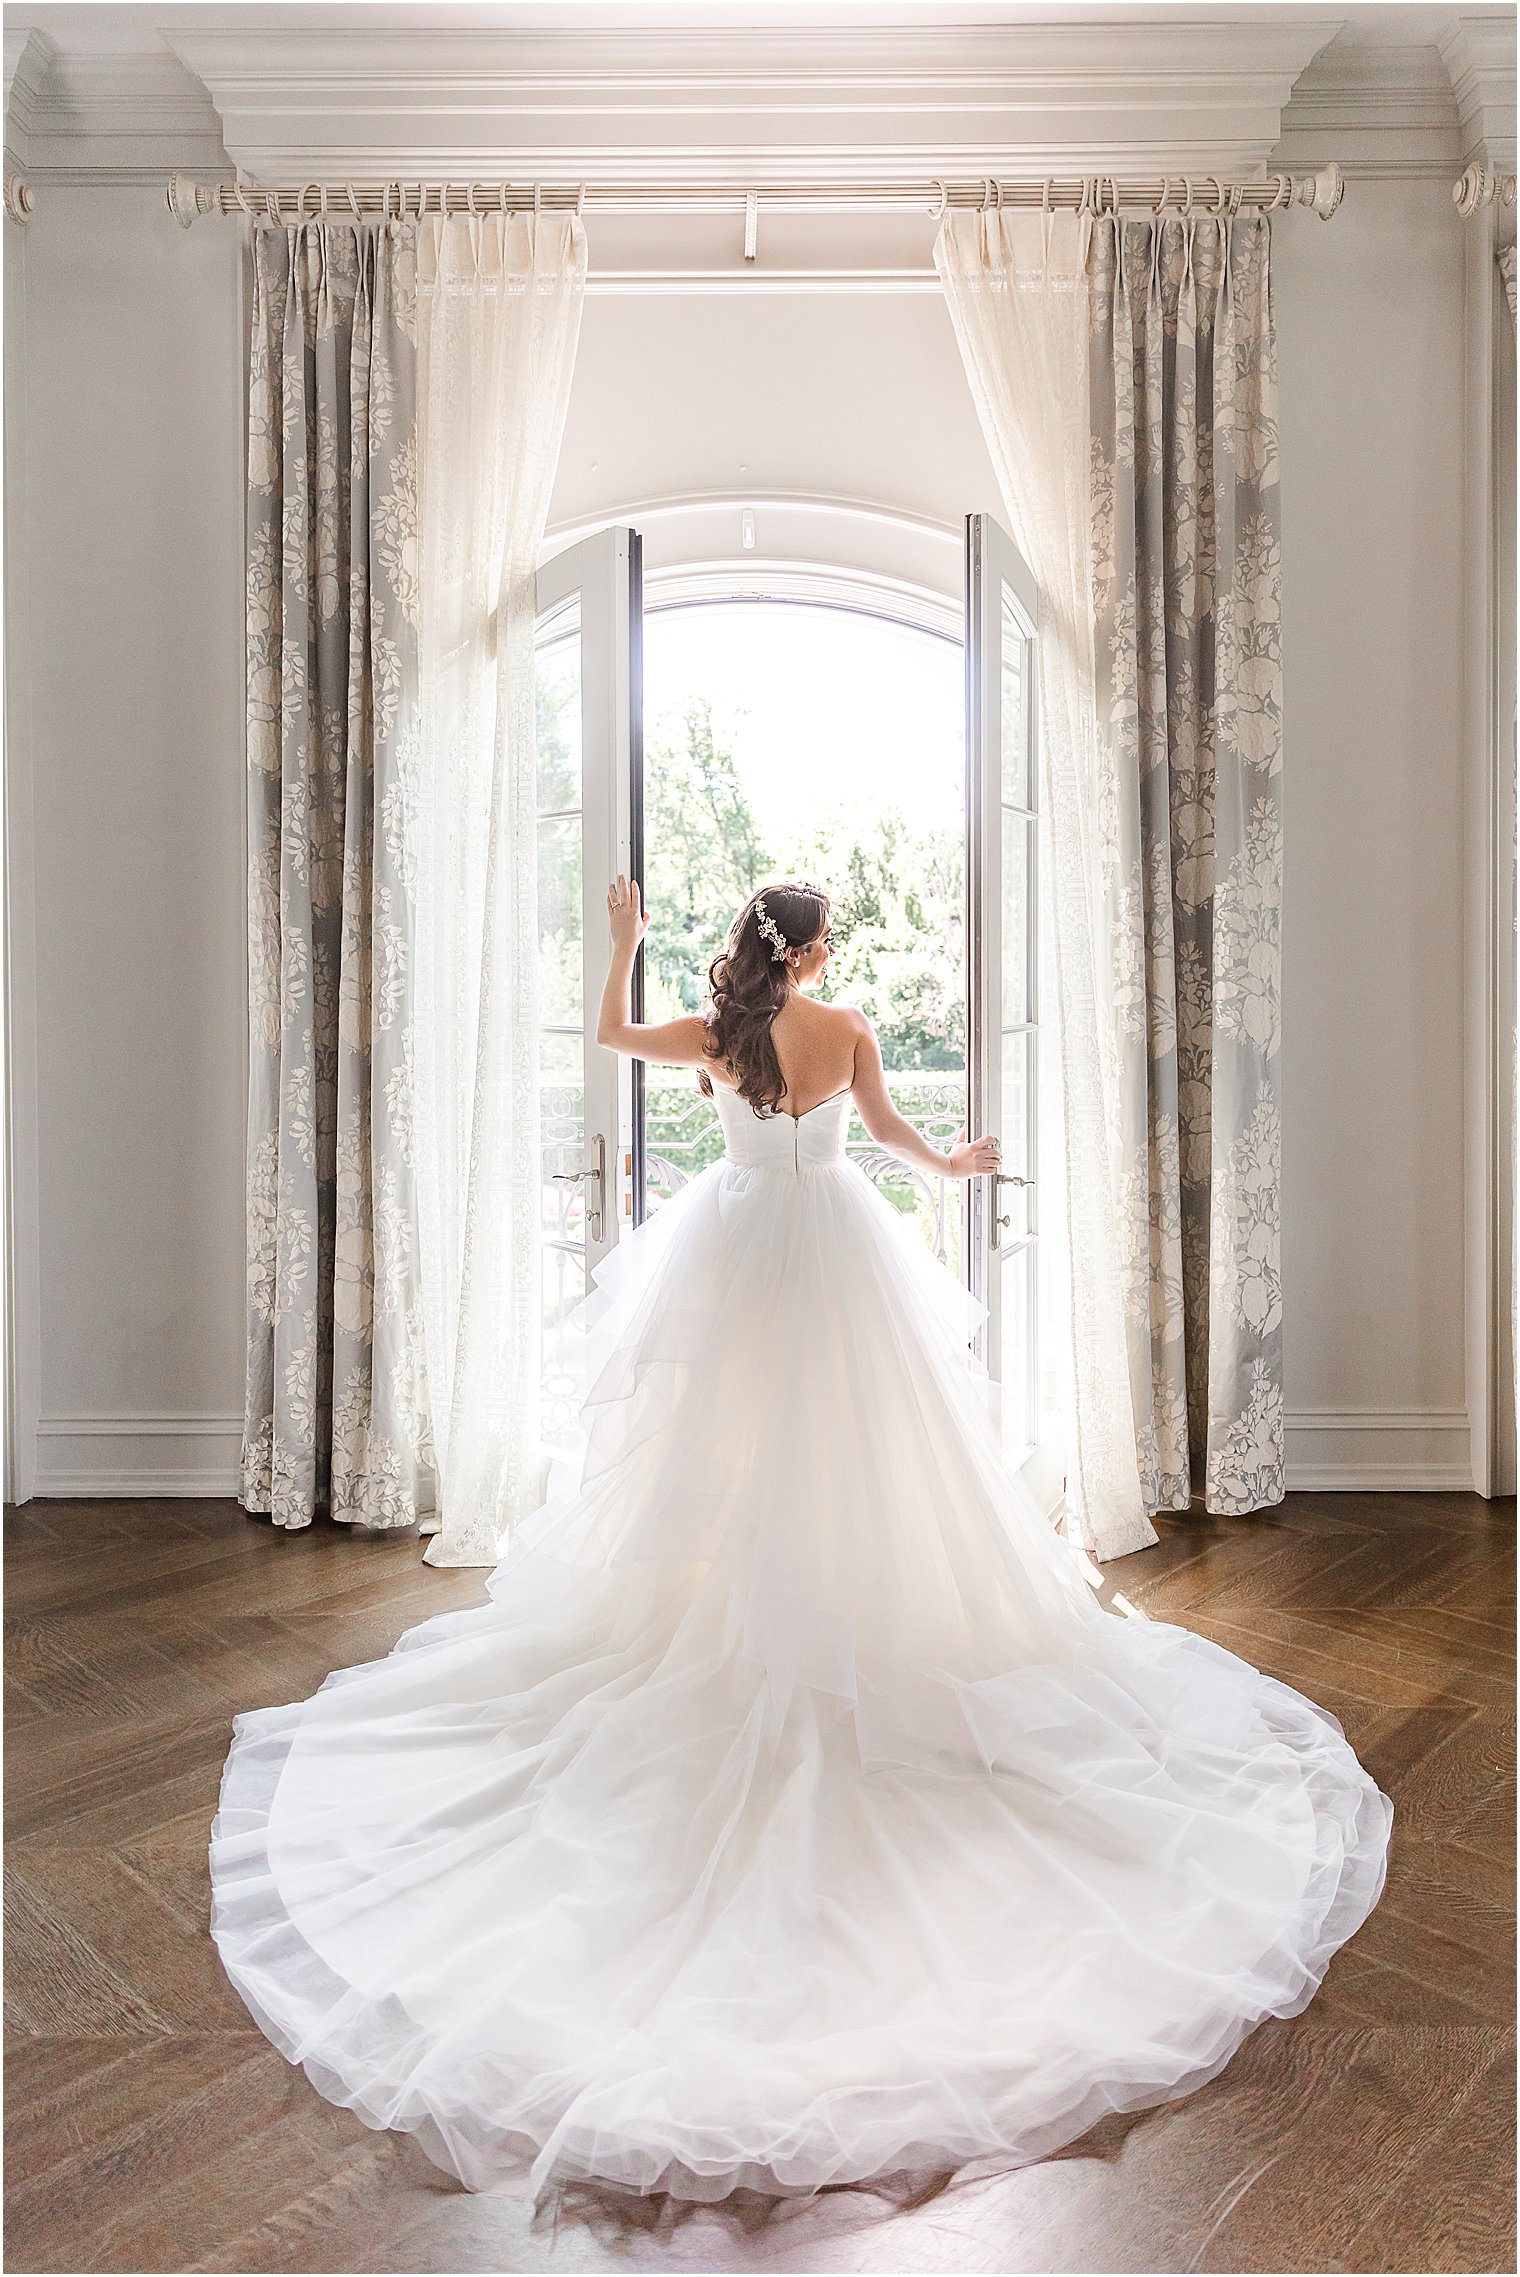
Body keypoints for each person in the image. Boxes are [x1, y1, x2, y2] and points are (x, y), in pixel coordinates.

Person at [209, 877, 1392, 2206]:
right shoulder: (848, 1030)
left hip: (728, 1265)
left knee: (724, 1471)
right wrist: (960, 1165)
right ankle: (849, 1623)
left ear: (752, 946)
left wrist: (622, 944)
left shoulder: (717, 1032)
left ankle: (732, 1630)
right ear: (818, 949)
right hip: (835, 1268)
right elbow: (891, 1139)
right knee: (864, 1465)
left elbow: (608, 1039)